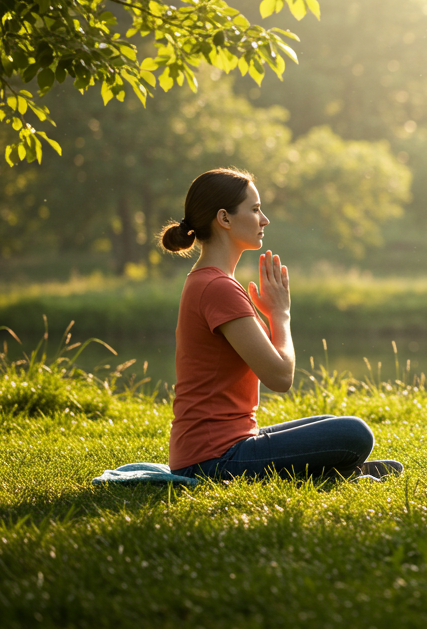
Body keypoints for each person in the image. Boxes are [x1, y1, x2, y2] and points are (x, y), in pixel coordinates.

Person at [158, 167, 402, 480]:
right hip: (213, 460)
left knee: (329, 421)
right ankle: (337, 473)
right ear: (225, 219)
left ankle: (336, 474)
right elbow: (280, 376)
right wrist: (280, 314)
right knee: (355, 433)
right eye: (256, 209)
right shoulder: (217, 287)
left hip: (211, 450)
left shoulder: (209, 281)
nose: (265, 220)